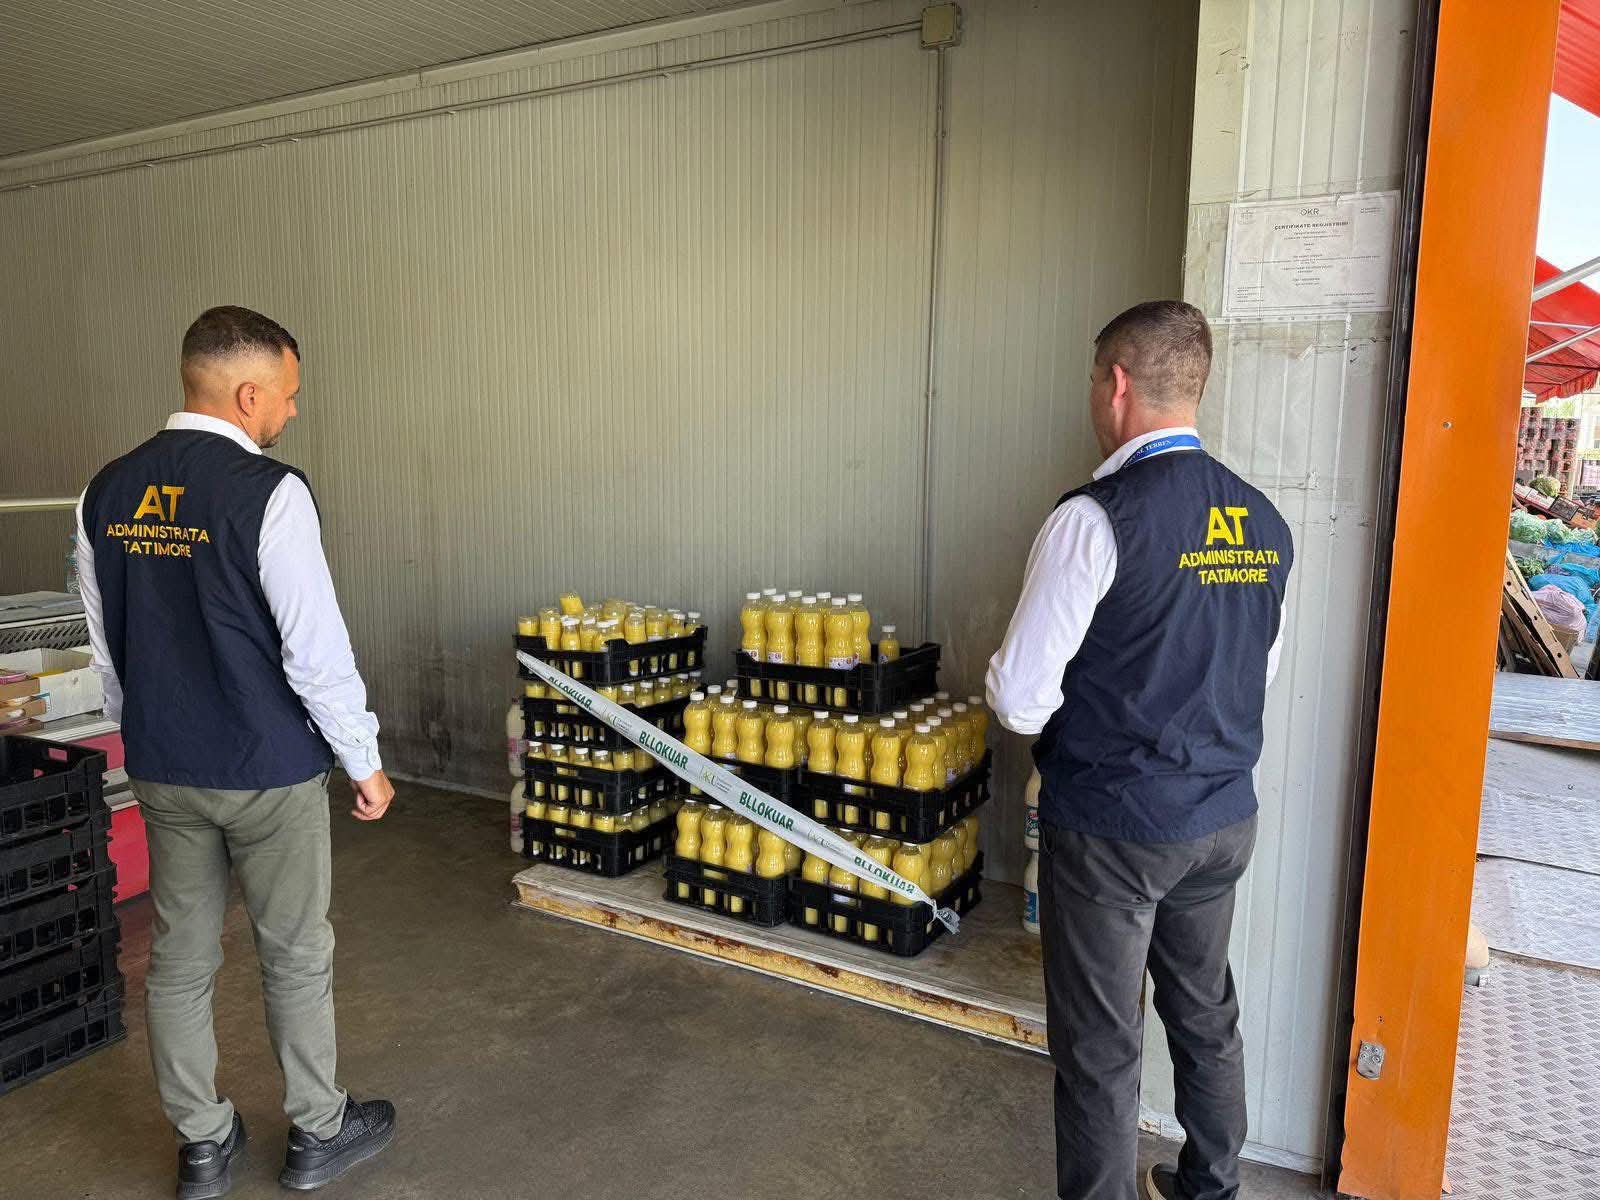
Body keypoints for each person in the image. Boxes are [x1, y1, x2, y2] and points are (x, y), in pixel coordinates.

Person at [76, 306, 398, 1198]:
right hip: (266, 770)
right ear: (248, 394)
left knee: (179, 959)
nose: (291, 411)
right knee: (293, 952)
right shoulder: (270, 492)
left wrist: (144, 735)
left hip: (164, 764)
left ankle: (203, 1145)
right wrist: (363, 759)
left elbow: (108, 647)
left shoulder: (106, 490)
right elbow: (314, 648)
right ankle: (320, 1130)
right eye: (287, 395)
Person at [986, 300, 1292, 1200]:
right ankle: (1210, 1185)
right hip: (1221, 818)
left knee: (1100, 1047)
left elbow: (1019, 697)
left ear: (1116, 383)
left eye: (1094, 378)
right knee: (1204, 1011)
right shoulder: (1263, 520)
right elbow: (1259, 669)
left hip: (1115, 830)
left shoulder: (1096, 519)